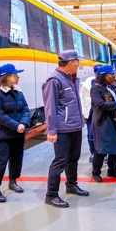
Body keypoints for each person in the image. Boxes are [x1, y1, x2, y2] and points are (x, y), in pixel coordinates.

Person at [42, 50, 89, 208]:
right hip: (62, 129)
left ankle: (71, 185)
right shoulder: (54, 80)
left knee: (73, 158)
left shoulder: (72, 79)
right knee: (60, 161)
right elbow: (50, 107)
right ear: (70, 63)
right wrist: (52, 130)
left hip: (75, 126)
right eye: (77, 62)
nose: (79, 65)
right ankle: (51, 194)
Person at [0, 63, 31, 203]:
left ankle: (13, 181)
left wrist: (23, 124)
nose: (18, 76)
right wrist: (16, 125)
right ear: (6, 77)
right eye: (15, 74)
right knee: (0, 161)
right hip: (1, 133)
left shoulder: (17, 91)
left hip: (18, 132)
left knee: (17, 158)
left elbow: (25, 109)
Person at [80, 64, 101, 163]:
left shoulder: (109, 83)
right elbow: (82, 98)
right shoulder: (88, 83)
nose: (98, 73)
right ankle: (93, 152)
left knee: (102, 134)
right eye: (96, 71)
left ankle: (102, 153)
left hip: (102, 113)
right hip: (90, 113)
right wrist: (84, 112)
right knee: (90, 134)